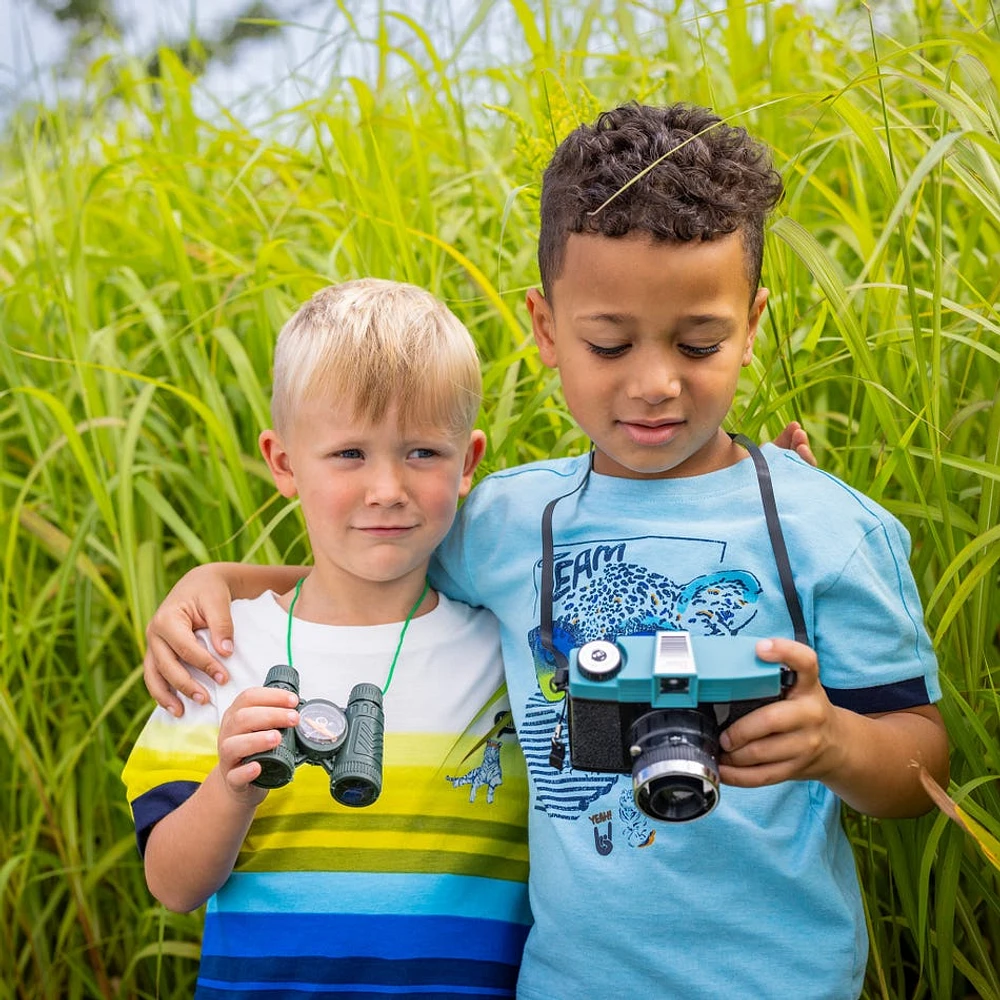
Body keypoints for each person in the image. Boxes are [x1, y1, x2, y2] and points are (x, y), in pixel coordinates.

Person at [139, 104, 949, 999]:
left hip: (782, 981)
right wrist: (214, 580)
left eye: (700, 342)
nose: (654, 383)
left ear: (752, 323)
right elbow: (377, 573)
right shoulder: (508, 521)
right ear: (546, 328)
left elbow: (923, 765)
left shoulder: (832, 530)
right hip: (567, 980)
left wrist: (833, 741)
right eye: (608, 343)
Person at [121, 279, 532, 999]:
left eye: (422, 454)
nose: (386, 488)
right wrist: (230, 787)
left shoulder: (504, 646)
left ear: (468, 462)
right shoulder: (217, 650)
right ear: (283, 463)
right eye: (348, 454)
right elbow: (171, 885)